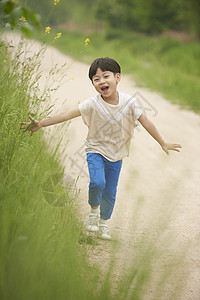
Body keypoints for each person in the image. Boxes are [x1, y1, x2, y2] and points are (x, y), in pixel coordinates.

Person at [20, 57, 182, 240]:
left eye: (106, 76)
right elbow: (66, 114)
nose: (102, 82)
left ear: (117, 77)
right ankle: (93, 213)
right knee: (97, 182)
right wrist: (41, 123)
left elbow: (146, 122)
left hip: (117, 154)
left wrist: (163, 142)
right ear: (93, 84)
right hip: (95, 150)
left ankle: (104, 223)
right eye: (96, 79)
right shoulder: (92, 103)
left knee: (110, 192)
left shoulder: (130, 102)